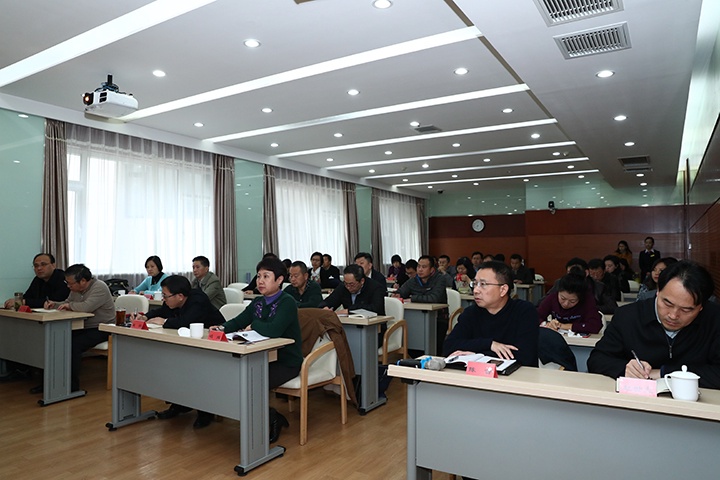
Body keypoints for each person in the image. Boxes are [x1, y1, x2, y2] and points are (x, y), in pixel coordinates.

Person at [588, 260, 720, 389]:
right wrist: (625, 369)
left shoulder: (714, 319)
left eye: (686, 310)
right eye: (667, 303)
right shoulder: (628, 316)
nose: (673, 315)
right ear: (657, 291)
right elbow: (597, 359)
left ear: (701, 307)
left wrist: (664, 373)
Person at [211, 257, 303, 442]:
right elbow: (239, 320)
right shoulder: (258, 302)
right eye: (259, 276)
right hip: (259, 357)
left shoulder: (287, 302)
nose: (260, 281)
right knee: (236, 377)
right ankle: (268, 416)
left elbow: (274, 330)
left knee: (251, 382)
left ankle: (271, 419)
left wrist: (254, 325)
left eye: (266, 276)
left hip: (285, 362)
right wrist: (221, 328)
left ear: (279, 280)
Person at [141, 275, 227, 428]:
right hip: (189, 344)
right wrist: (145, 317)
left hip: (214, 345)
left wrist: (165, 321)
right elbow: (162, 310)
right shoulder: (174, 300)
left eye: (166, 296)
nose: (164, 299)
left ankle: (205, 411)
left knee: (197, 370)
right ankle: (180, 404)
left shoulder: (198, 300)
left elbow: (186, 322)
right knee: (174, 366)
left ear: (180, 296)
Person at [443, 261, 538, 367]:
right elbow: (449, 347)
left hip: (518, 374)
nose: (476, 290)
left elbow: (524, 356)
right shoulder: (471, 313)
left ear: (503, 290)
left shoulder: (524, 311)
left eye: (483, 284)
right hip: (477, 375)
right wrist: (489, 344)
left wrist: (476, 355)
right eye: (475, 284)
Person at [43, 264, 115, 392]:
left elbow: (86, 307)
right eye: (67, 283)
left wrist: (68, 306)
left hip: (102, 328)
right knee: (57, 338)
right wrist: (55, 304)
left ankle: (71, 386)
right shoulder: (75, 289)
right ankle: (52, 381)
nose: (68, 286)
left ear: (83, 281)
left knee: (73, 344)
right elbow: (67, 303)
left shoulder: (100, 287)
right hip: (83, 326)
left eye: (70, 283)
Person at [3, 253, 69, 309]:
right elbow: (27, 296)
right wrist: (17, 302)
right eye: (36, 266)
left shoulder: (64, 278)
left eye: (43, 264)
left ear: (53, 265)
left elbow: (55, 301)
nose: (39, 268)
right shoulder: (37, 279)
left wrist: (23, 302)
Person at [318, 264, 386, 316]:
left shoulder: (375, 287)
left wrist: (349, 311)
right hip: (348, 324)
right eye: (346, 283)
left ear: (362, 281)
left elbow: (376, 308)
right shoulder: (343, 287)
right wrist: (325, 307)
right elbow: (330, 300)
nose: (348, 287)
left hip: (374, 326)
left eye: (351, 284)